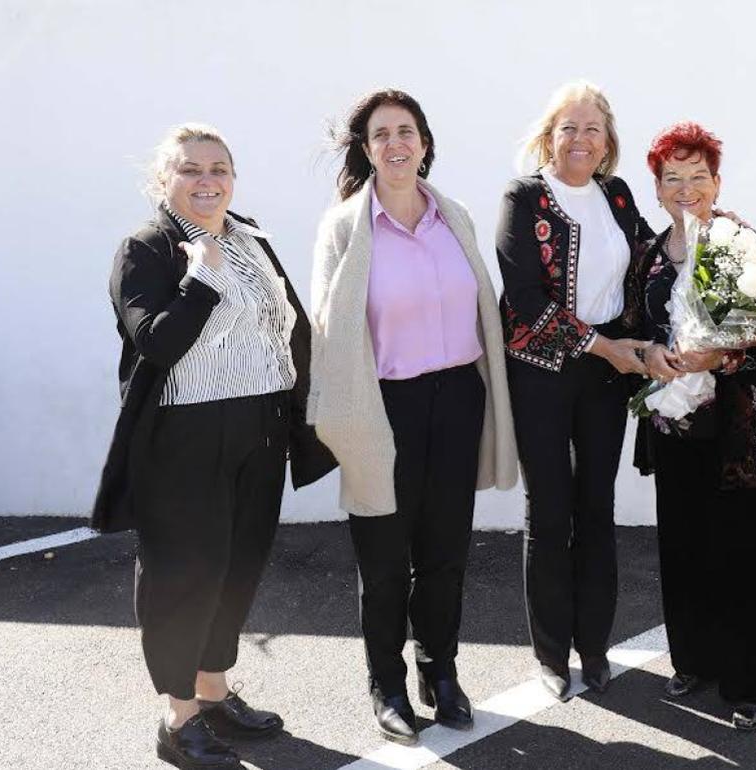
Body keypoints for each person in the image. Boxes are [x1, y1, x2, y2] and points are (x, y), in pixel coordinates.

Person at [91, 124, 335, 769]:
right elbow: (159, 342)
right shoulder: (148, 249)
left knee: (237, 566)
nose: (208, 182)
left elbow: (288, 328)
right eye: (191, 170)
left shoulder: (252, 239)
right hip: (186, 437)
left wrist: (304, 412)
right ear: (163, 181)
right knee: (183, 574)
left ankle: (214, 691)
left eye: (219, 169)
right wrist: (201, 280)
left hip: (260, 428)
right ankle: (178, 718)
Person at [307, 89, 519, 745]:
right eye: (381, 135)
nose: (395, 144)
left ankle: (441, 674)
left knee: (446, 554)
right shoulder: (344, 226)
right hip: (383, 406)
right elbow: (328, 329)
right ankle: (387, 686)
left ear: (425, 142)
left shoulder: (453, 215)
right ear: (366, 150)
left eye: (406, 131)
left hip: (458, 397)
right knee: (385, 560)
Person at [496, 80, 653, 700]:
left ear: (607, 140)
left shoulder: (616, 194)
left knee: (597, 508)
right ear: (548, 135)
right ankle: (551, 655)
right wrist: (603, 346)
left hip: (606, 373)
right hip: (542, 368)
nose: (581, 139)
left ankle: (595, 646)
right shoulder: (524, 197)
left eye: (593, 129)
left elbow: (646, 264)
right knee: (550, 509)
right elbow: (524, 298)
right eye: (569, 128)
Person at [631, 122, 756, 731]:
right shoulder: (650, 254)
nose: (686, 188)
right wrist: (650, 354)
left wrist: (719, 356)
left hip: (734, 429)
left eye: (698, 177)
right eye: (673, 178)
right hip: (673, 424)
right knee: (682, 544)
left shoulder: (741, 243)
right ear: (658, 188)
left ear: (717, 183)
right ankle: (694, 660)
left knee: (739, 552)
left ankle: (747, 682)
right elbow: (633, 324)